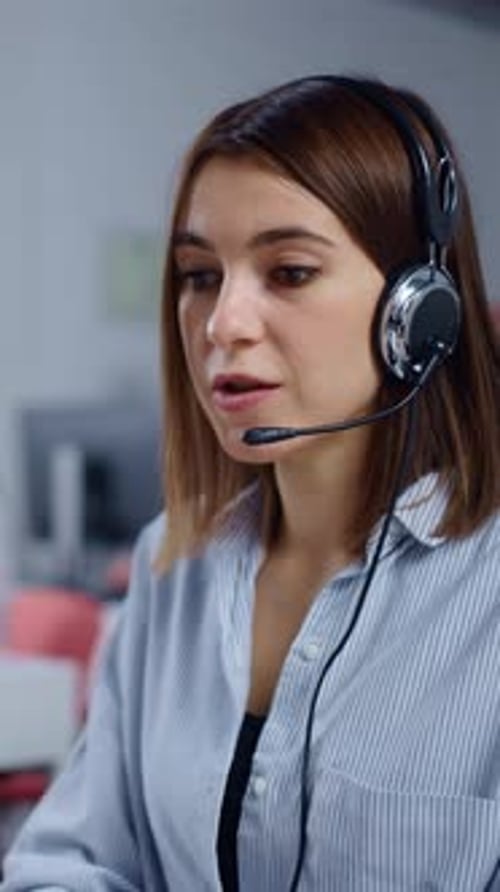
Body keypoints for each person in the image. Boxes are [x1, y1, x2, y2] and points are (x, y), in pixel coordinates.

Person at [2, 73, 500, 892]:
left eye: (290, 272)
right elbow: (63, 859)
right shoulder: (172, 566)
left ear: (421, 312)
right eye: (201, 275)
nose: (223, 323)